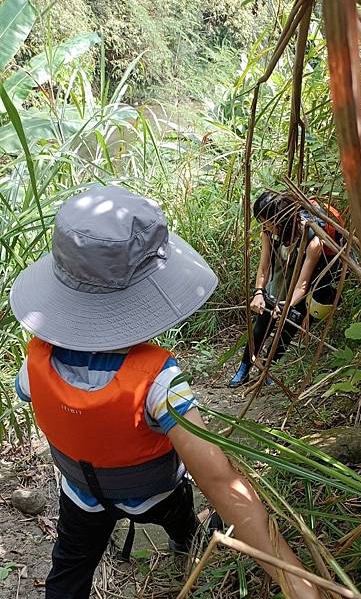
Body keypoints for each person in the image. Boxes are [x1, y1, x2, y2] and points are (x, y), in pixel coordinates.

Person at [10, 185, 322, 599]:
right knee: (180, 515)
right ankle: (184, 541)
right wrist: (294, 578)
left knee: (68, 568)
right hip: (152, 493)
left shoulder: (35, 362)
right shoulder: (158, 381)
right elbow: (217, 476)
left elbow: (33, 395)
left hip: (78, 494)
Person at [229, 190, 343, 387]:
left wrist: (285, 306)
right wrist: (259, 293)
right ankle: (245, 367)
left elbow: (303, 284)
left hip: (313, 273)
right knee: (262, 322)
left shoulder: (313, 239)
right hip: (284, 269)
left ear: (280, 221)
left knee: (290, 321)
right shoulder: (269, 232)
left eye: (266, 221)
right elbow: (264, 267)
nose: (264, 226)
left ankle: (268, 366)